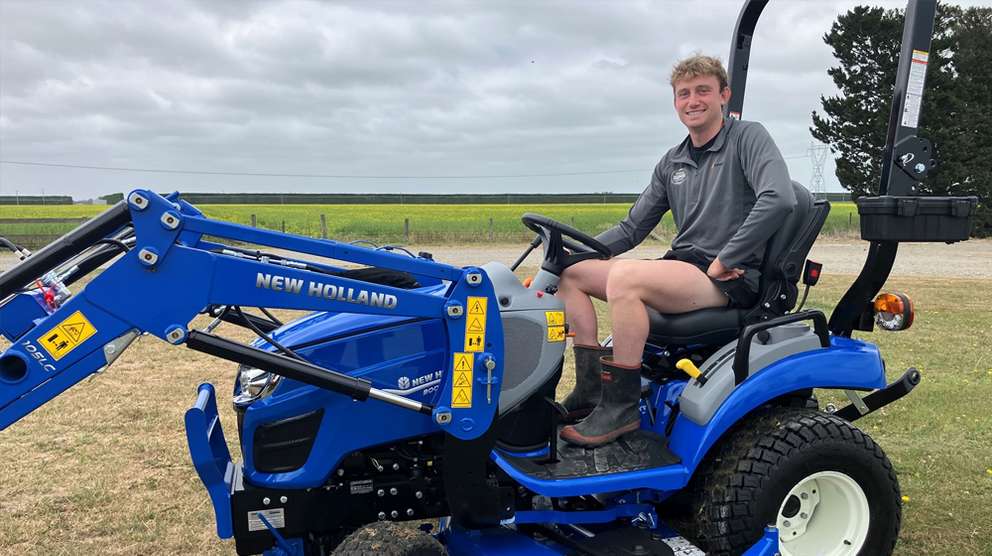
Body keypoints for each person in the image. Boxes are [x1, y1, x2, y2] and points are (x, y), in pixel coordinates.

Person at [557, 54, 797, 447]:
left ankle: (621, 409)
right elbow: (632, 228)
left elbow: (778, 198)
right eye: (684, 94)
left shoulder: (747, 138)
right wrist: (572, 253)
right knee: (574, 275)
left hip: (726, 277)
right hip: (683, 268)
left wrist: (726, 259)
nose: (693, 100)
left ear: (724, 95)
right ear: (675, 104)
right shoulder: (673, 161)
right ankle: (590, 392)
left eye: (703, 90)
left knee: (626, 278)